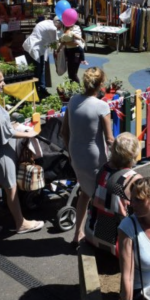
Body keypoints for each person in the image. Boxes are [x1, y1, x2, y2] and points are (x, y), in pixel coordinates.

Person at [0, 69, 44, 240]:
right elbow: (5, 134)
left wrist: (9, 125)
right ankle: (21, 223)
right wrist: (28, 134)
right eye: (0, 81)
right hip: (0, 155)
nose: (4, 84)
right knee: (10, 188)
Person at [61, 67, 114, 245]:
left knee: (84, 192)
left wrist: (70, 152)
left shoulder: (73, 101)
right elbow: (109, 139)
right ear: (100, 85)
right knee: (100, 197)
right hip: (95, 158)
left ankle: (78, 233)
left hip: (76, 154)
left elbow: (64, 132)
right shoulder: (102, 106)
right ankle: (97, 236)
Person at [86, 132, 142, 253]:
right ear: (134, 155)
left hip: (93, 232)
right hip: (117, 243)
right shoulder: (133, 178)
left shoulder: (104, 169)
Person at [23, 16, 63, 98]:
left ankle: (41, 89)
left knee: (40, 70)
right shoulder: (53, 28)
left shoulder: (47, 22)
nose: (59, 29)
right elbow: (55, 45)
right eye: (60, 27)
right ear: (58, 24)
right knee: (37, 71)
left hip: (34, 47)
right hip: (35, 49)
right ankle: (37, 92)